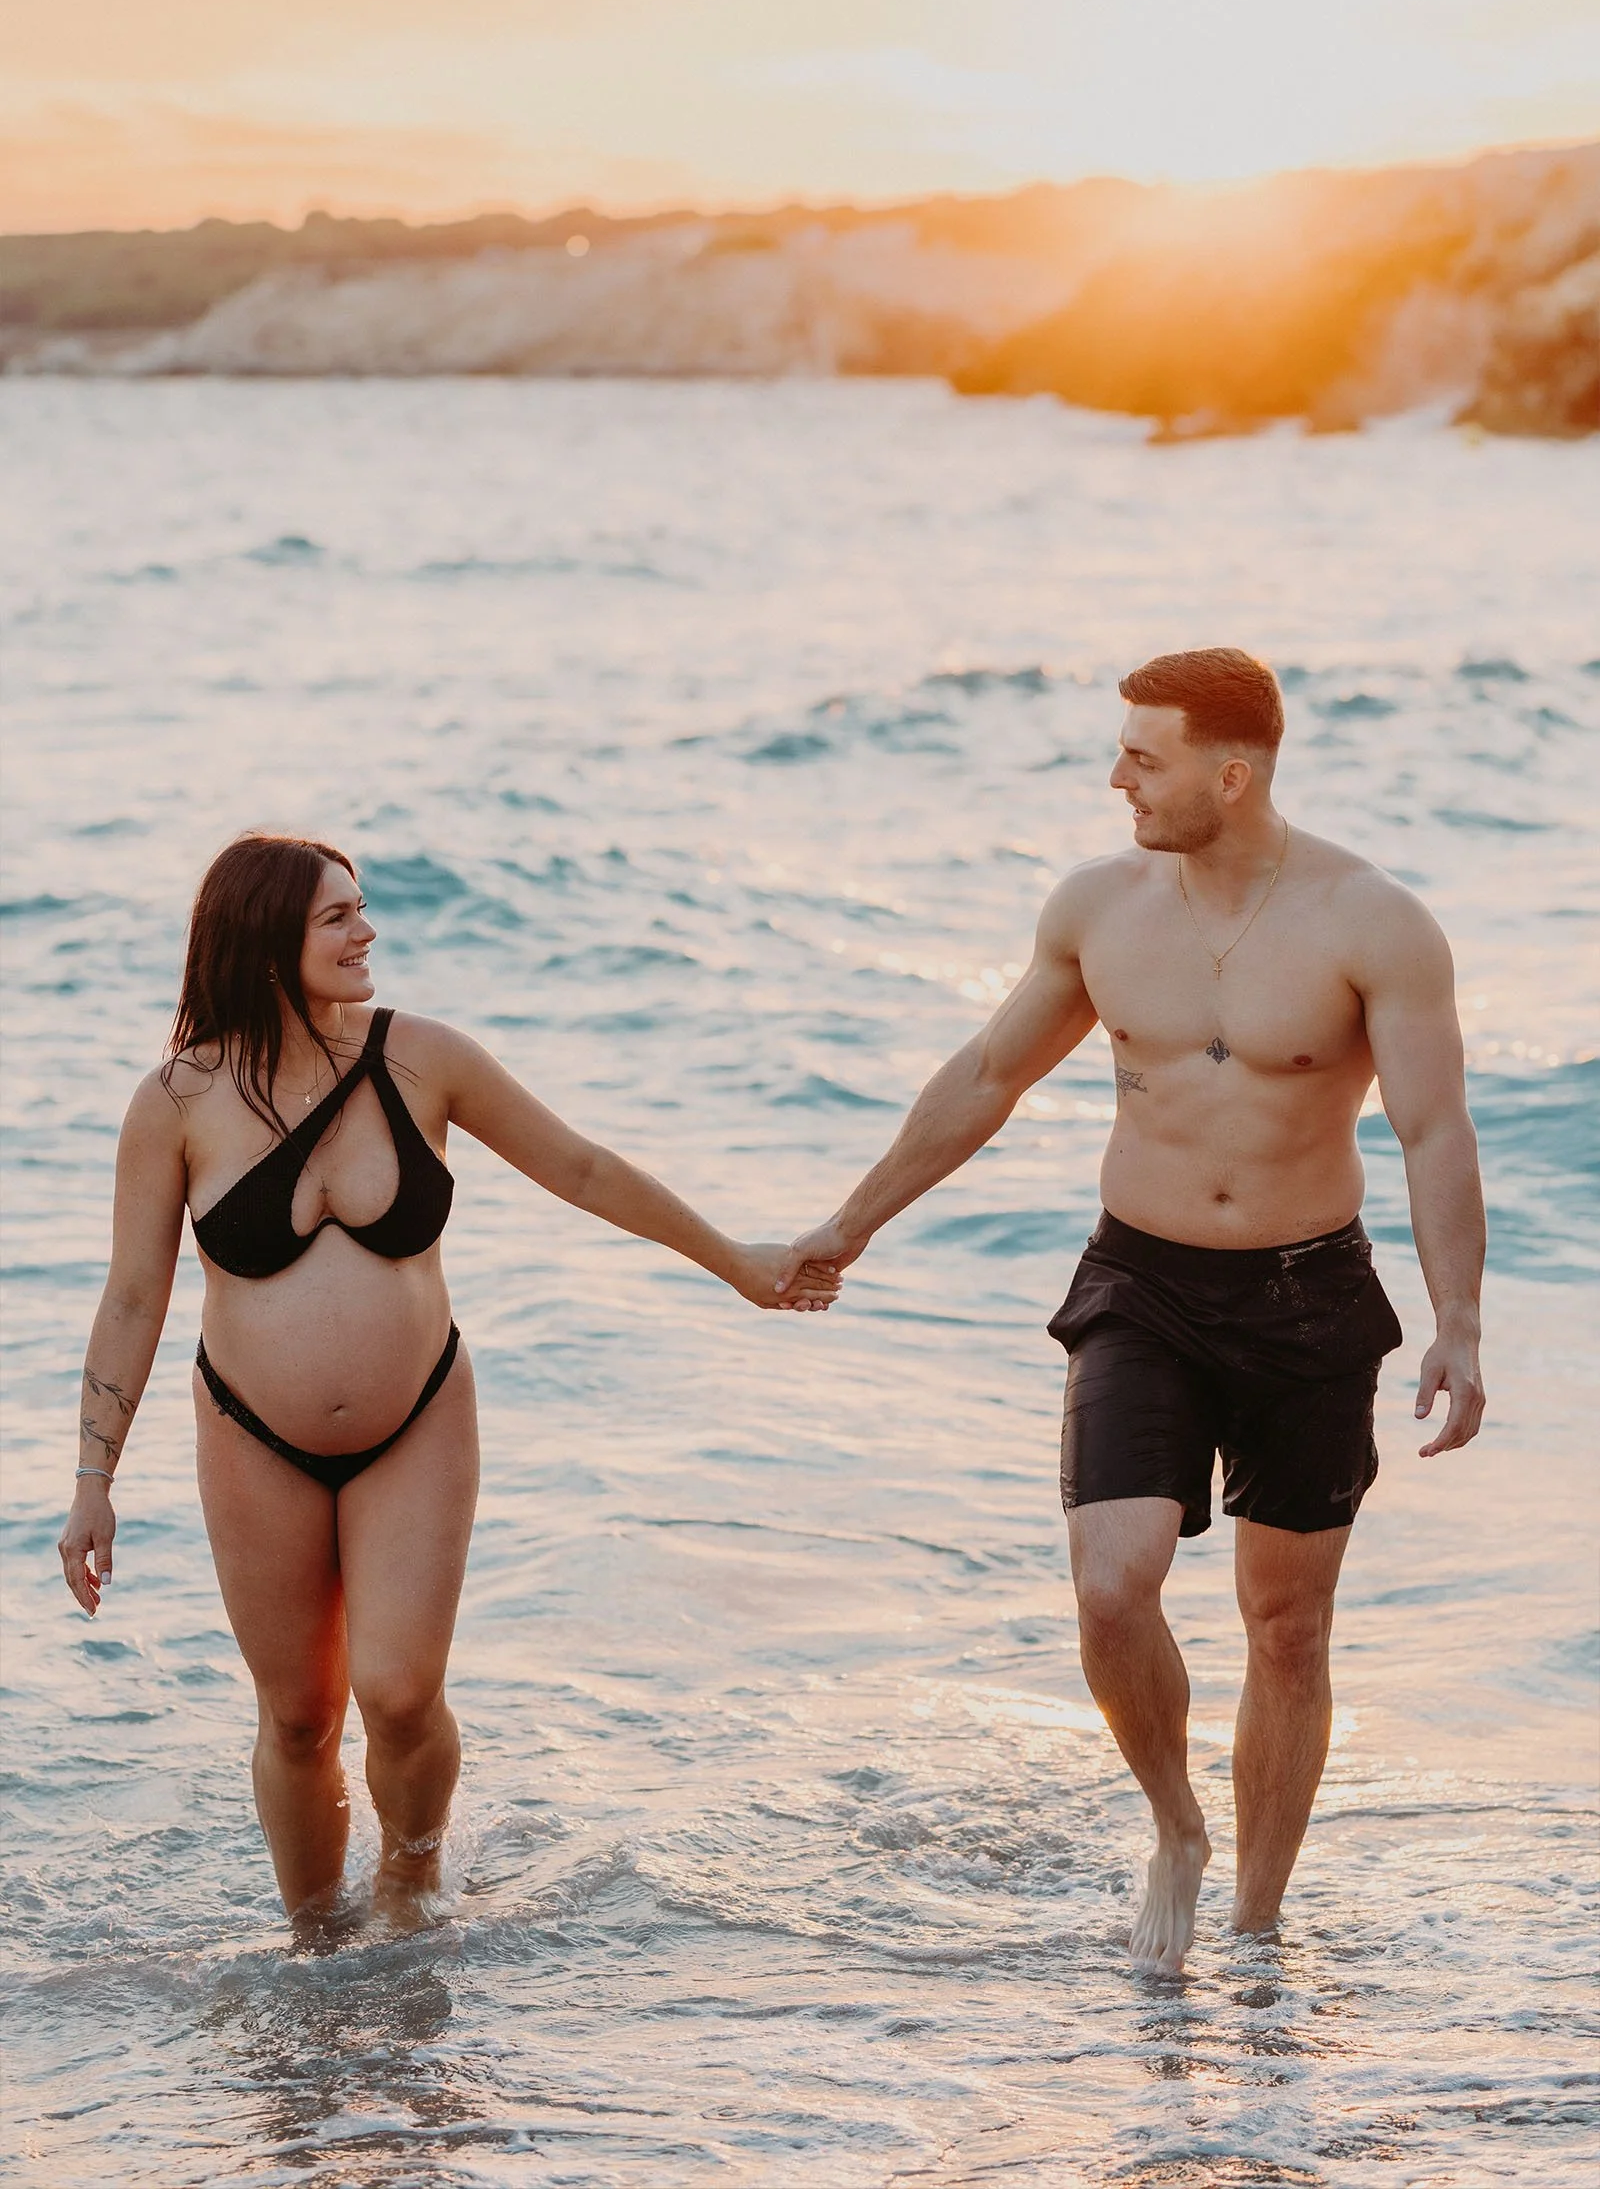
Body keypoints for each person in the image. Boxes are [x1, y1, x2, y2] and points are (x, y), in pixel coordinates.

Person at [778, 647, 1485, 1972]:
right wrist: (851, 1223)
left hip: (1307, 1297)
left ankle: (1260, 1934)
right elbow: (986, 1077)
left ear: (1235, 771)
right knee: (1112, 1589)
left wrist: (1459, 1319)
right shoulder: (1100, 909)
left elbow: (1434, 1130)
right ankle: (1177, 1828)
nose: (1116, 780)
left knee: (1288, 1625)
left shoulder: (1372, 922)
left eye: (1143, 758)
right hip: (1140, 1286)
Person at [58, 832, 841, 1936]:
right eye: (338, 916)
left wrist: (739, 1265)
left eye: (360, 908)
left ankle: (411, 1886)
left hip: (415, 1419)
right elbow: (133, 1298)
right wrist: (93, 1480)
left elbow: (582, 1168)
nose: (366, 931)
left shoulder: (423, 1059)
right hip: (249, 1432)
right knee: (295, 1717)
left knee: (398, 1692)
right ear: (265, 935)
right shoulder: (177, 1102)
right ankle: (314, 1943)